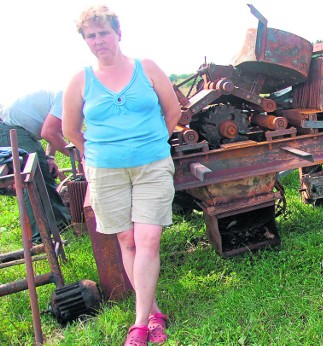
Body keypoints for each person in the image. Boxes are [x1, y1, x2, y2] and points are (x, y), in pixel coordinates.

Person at [62, 5, 181, 346]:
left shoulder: (147, 68)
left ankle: (140, 325)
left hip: (151, 165)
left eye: (104, 33)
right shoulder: (80, 80)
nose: (99, 40)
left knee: (148, 240)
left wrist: (155, 140)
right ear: (85, 41)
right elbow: (70, 129)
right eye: (91, 35)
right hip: (106, 170)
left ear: (118, 33)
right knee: (127, 240)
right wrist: (93, 153)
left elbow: (172, 110)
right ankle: (153, 311)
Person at [0, 90, 72, 244]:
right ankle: (41, 236)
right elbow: (49, 132)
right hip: (11, 129)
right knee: (30, 179)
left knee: (44, 172)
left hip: (22, 131)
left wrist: (50, 157)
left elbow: (56, 129)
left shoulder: (64, 101)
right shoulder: (66, 97)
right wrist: (80, 156)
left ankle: (61, 225)